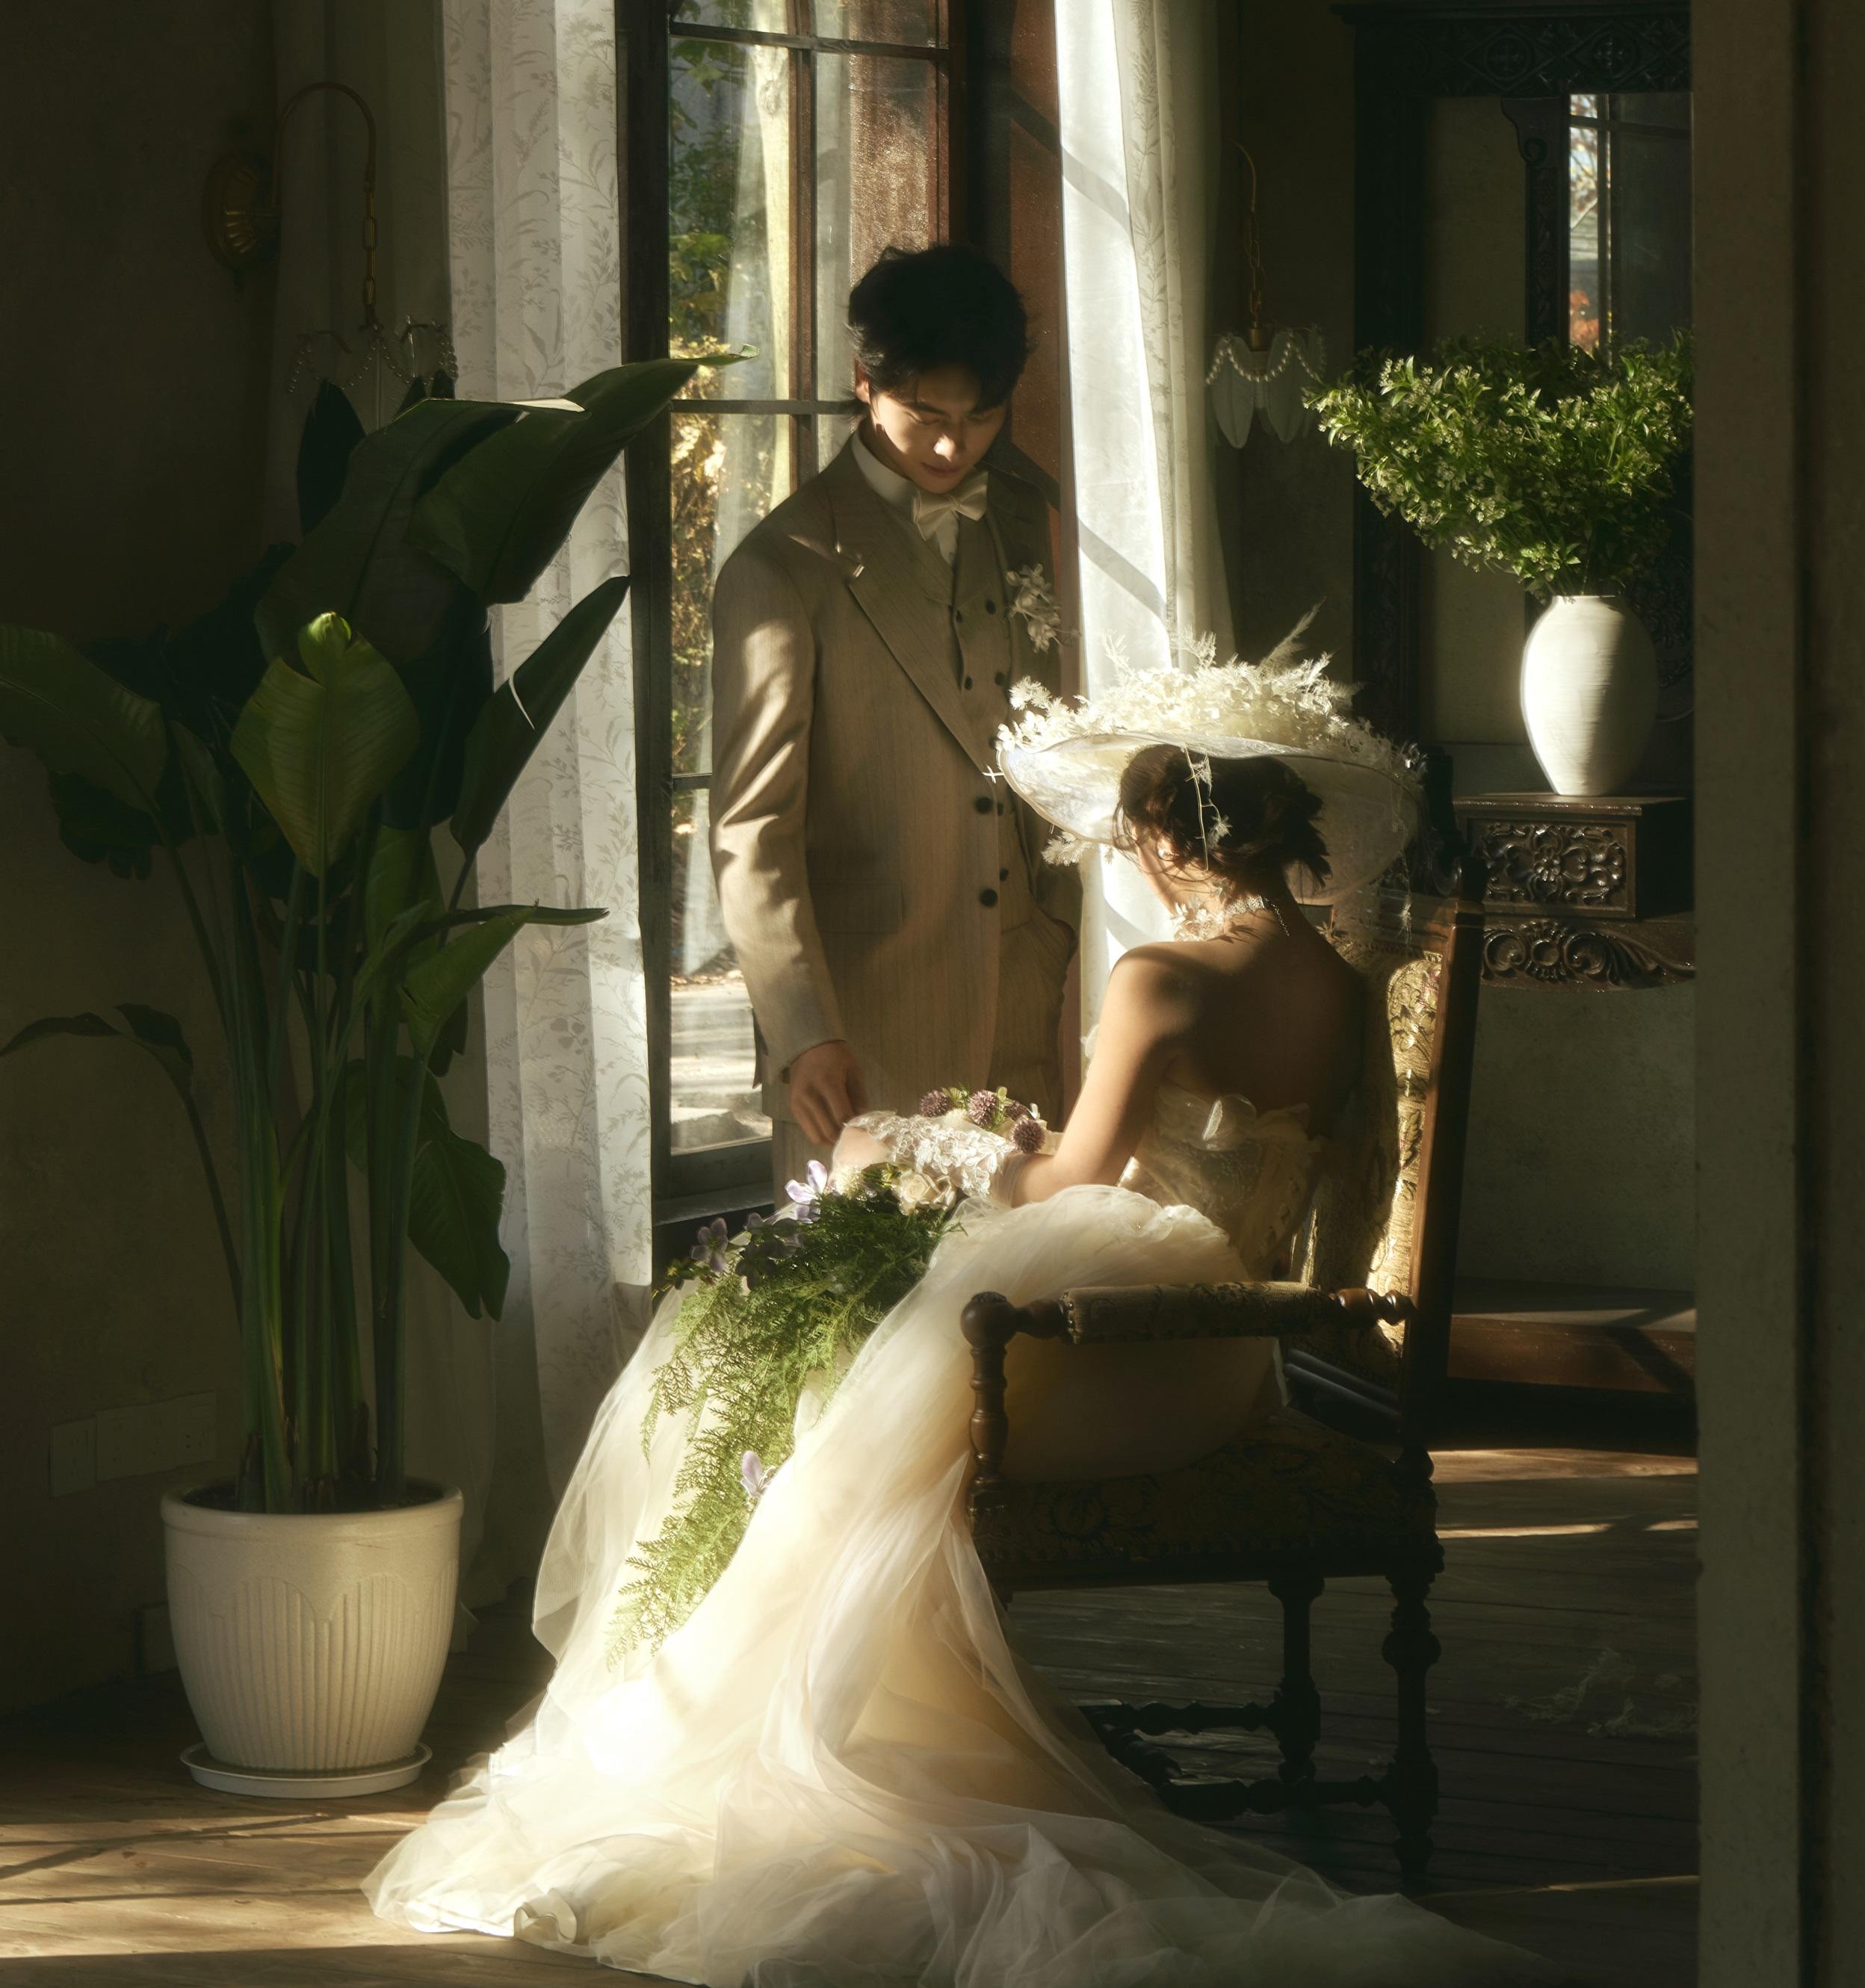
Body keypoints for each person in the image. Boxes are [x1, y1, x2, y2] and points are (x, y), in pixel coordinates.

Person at [365, 656, 1562, 1985]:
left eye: (1133, 834)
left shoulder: (1161, 978)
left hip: (1122, 1337)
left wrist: (930, 1151)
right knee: (860, 1382)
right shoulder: (1337, 981)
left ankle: (807, 1744)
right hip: (1228, 1350)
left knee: (845, 1384)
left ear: (1170, 836)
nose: (1132, 859)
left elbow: (1067, 1180)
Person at [708, 244, 1081, 1193]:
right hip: (865, 1033)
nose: (955, 449)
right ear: (864, 382)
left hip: (1030, 998)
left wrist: (1062, 932)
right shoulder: (781, 566)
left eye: (981, 418)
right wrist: (804, 1032)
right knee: (879, 1281)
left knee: (1026, 1278)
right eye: (928, 417)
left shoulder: (1028, 515)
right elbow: (752, 829)